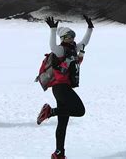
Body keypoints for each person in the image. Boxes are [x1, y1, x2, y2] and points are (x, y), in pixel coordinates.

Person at [37, 15, 94, 159]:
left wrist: (90, 28)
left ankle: (59, 153)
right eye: (69, 36)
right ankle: (49, 112)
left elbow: (85, 42)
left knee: (63, 123)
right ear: (63, 37)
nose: (72, 38)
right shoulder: (60, 50)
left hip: (63, 89)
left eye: (73, 35)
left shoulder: (74, 48)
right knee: (80, 110)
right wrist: (53, 30)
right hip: (61, 88)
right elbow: (52, 46)